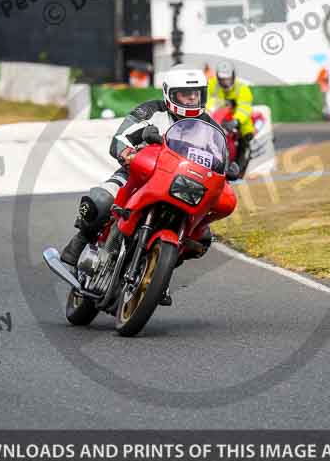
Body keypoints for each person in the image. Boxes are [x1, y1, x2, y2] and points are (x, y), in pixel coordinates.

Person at [60, 66, 222, 306]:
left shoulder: (209, 126)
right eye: (185, 94)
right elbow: (120, 138)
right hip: (138, 174)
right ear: (169, 94)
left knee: (203, 238)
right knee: (102, 201)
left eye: (196, 93)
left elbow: (220, 156)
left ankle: (158, 269)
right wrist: (136, 142)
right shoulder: (151, 110)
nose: (191, 99)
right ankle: (81, 241)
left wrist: (227, 170)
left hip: (183, 184)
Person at [207, 60, 254, 174]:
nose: (225, 82)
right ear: (218, 78)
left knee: (246, 134)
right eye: (222, 80)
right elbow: (206, 101)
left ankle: (239, 166)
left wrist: (236, 121)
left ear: (233, 76)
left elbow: (244, 108)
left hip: (236, 118)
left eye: (227, 79)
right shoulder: (211, 84)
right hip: (218, 117)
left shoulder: (242, 88)